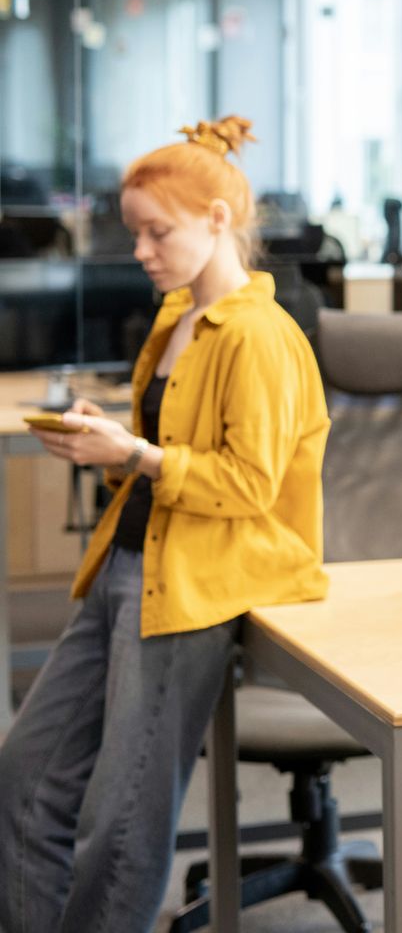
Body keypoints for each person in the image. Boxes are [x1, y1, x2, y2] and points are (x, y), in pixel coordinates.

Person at [0, 116, 331, 933]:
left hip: (193, 586)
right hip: (125, 559)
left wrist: (140, 454)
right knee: (23, 781)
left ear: (218, 221)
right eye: (136, 233)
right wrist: (108, 446)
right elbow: (173, 447)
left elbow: (248, 485)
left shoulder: (261, 336)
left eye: (158, 232)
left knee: (121, 823)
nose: (141, 251)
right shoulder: (176, 316)